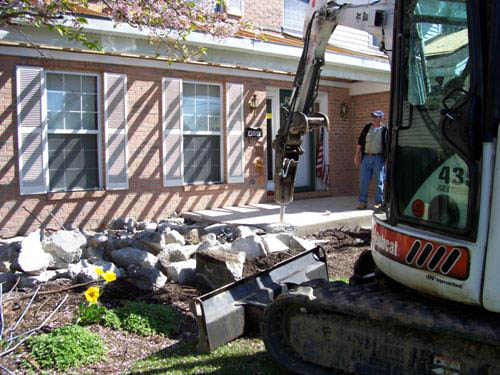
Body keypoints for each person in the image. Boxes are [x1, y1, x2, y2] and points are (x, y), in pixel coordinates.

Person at [354, 110, 387, 210]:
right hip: (366, 158)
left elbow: (389, 145)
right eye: (372, 116)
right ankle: (362, 202)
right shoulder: (367, 127)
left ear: (381, 118)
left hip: (379, 158)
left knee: (379, 181)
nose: (373, 118)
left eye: (376, 117)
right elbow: (360, 141)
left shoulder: (385, 130)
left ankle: (378, 202)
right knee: (363, 181)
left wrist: (387, 160)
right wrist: (356, 155)